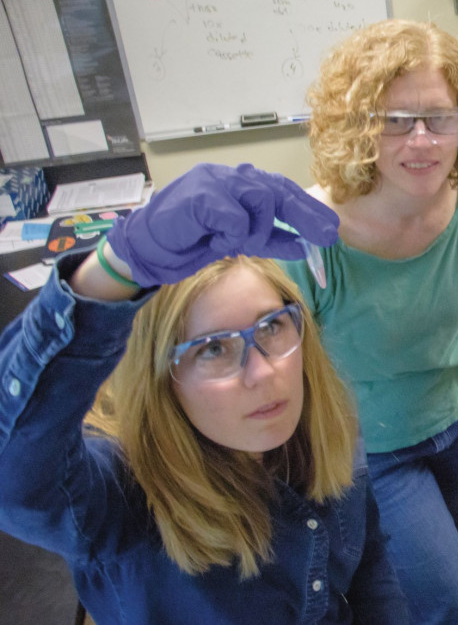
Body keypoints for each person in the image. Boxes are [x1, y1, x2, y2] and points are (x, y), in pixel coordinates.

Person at [0, 164, 407, 624]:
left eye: (271, 326)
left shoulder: (324, 424)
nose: (263, 371)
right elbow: (16, 475)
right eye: (213, 348)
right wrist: (112, 269)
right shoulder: (123, 498)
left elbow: (371, 567)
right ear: (160, 380)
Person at [280, 19, 458, 625]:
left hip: (457, 423)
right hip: (371, 449)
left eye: (440, 117)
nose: (422, 142)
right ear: (359, 127)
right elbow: (283, 374)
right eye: (395, 121)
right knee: (445, 607)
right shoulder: (310, 236)